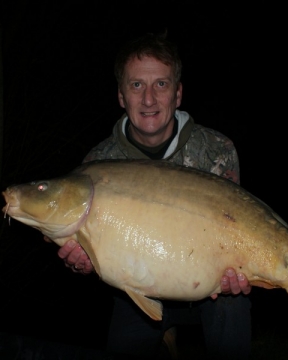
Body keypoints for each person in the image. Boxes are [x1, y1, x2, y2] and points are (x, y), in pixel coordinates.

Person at [56, 32, 252, 359]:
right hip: (137, 290)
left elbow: (235, 230)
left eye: (160, 85)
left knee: (233, 308)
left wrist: (240, 270)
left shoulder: (218, 150)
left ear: (178, 94)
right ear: (121, 96)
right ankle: (164, 334)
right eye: (136, 86)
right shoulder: (97, 166)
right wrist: (83, 263)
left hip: (212, 293)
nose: (148, 99)